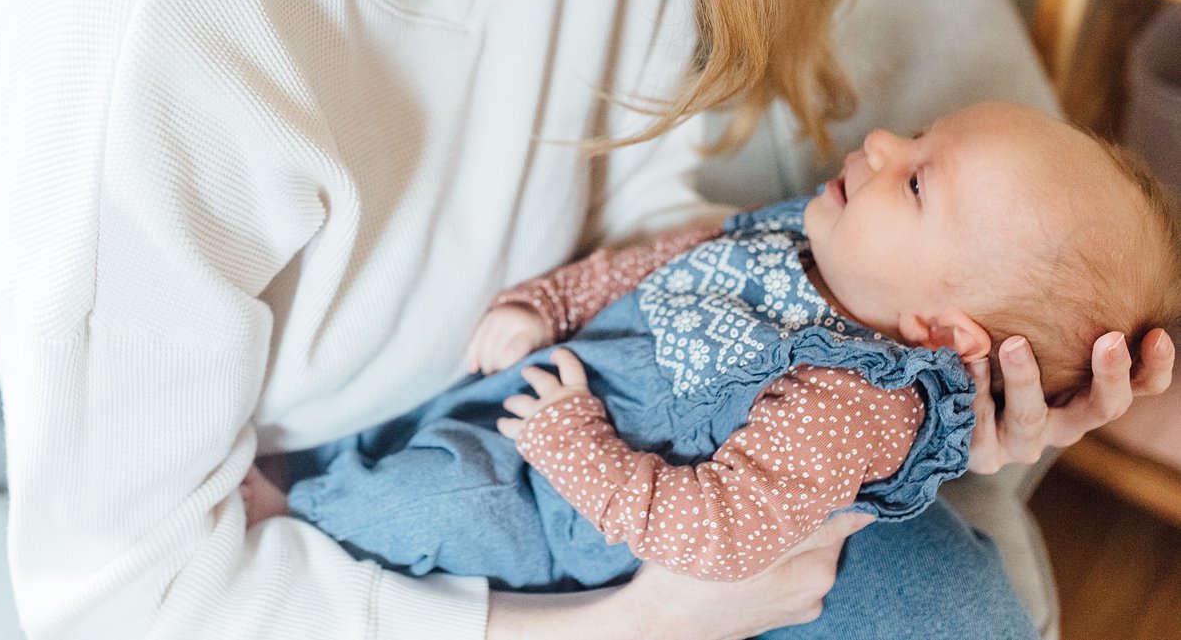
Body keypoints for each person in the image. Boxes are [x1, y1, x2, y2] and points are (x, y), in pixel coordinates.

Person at [0, 0, 1175, 638]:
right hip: (362, 515)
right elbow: (120, 599)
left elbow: (641, 224)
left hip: (615, 425)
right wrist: (629, 621)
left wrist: (915, 418)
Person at [257, 102, 1181, 594]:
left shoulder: (848, 404)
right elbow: (659, 267)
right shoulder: (807, 242)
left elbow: (720, 533)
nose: (883, 139)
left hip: (558, 502)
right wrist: (550, 301)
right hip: (539, 399)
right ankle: (318, 465)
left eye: (915, 179)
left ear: (939, 334)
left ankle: (297, 517)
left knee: (432, 502)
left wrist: (577, 440)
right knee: (418, 417)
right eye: (921, 132)